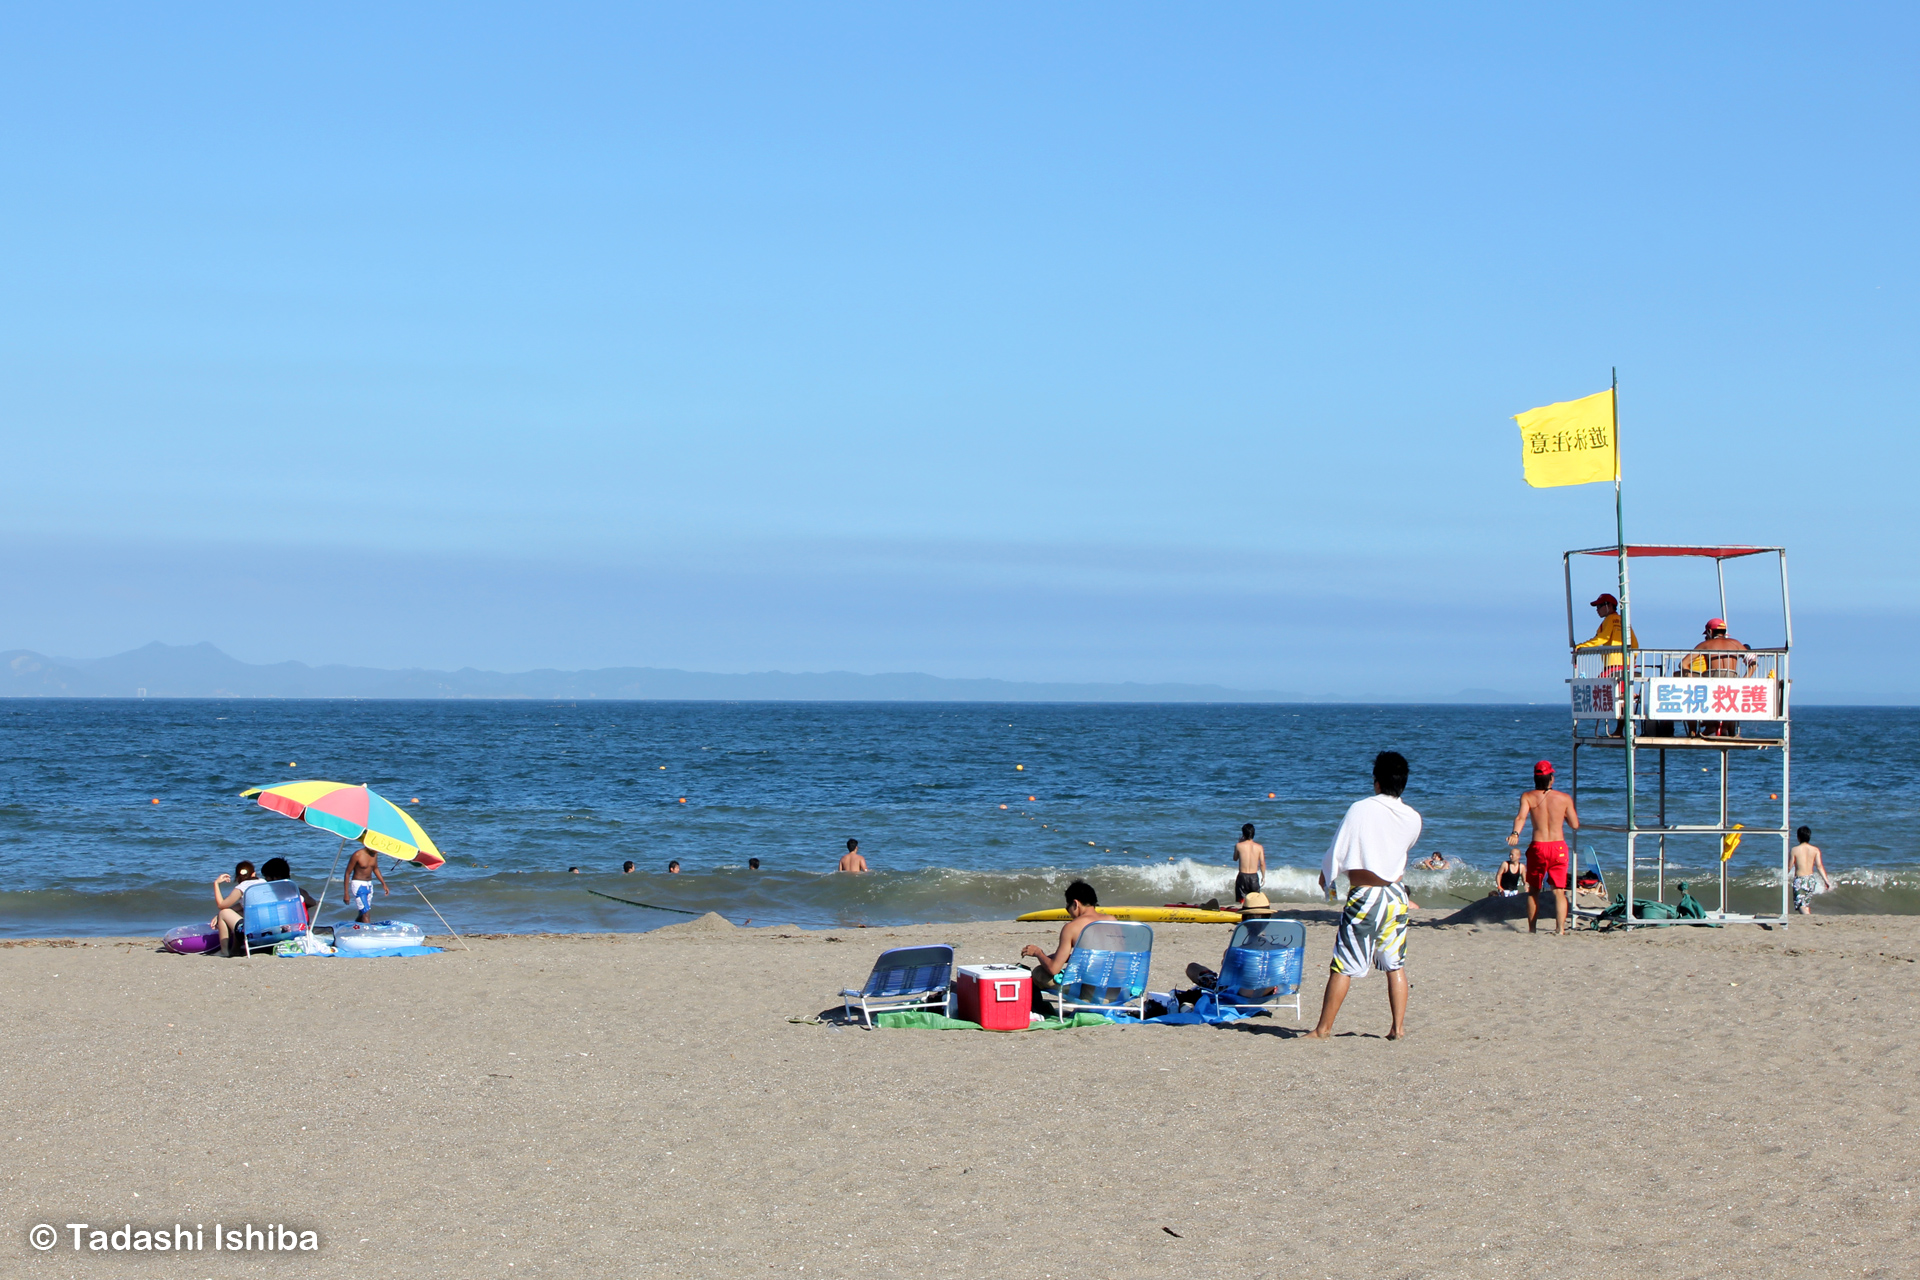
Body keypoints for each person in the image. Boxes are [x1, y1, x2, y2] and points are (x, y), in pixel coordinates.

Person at [1306, 752, 1421, 1041]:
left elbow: (1340, 845)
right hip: (1396, 895)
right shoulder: (1412, 817)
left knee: (1343, 963)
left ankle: (1323, 1029)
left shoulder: (1361, 808)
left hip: (1365, 895)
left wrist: (1327, 875)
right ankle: (1398, 1028)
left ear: (1377, 782)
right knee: (1394, 963)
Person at [1507, 760, 1580, 936]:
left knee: (1534, 891)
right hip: (1558, 847)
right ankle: (1560, 929)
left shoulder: (1528, 796)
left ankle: (1532, 929)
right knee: (1559, 892)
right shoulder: (1564, 798)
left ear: (1535, 778)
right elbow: (1575, 824)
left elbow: (1521, 817)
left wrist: (1515, 834)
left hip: (1538, 847)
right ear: (1551, 779)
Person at [1020, 880, 1114, 1011]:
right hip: (1115, 991)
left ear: (1075, 903)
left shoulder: (1072, 927)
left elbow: (1053, 969)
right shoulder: (1112, 920)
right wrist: (1071, 958)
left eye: (1067, 907)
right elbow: (1106, 957)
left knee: (1039, 972)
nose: (1068, 912)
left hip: (1091, 993)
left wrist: (1038, 953)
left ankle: (1037, 1009)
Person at [1684, 618, 1756, 737]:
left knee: (1694, 697)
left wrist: (1693, 679)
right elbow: (1753, 663)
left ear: (1710, 632)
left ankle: (1699, 730)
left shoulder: (1705, 645)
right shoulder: (1737, 644)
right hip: (1732, 684)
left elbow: (1683, 664)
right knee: (1731, 704)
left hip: (1712, 683)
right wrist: (1744, 680)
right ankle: (1730, 732)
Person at [1575, 593, 1639, 671]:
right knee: (1623, 683)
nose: (1597, 610)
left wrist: (1582, 646)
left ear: (1609, 606)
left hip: (1612, 664)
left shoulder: (1610, 619)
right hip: (1627, 664)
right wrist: (1632, 659)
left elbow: (1603, 638)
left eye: (1599, 606)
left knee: (1602, 682)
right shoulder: (1624, 621)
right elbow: (1635, 644)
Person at [210, 860, 258, 957]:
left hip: (253, 933)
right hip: (270, 930)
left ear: (237, 877)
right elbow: (242, 905)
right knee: (239, 912)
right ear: (254, 874)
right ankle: (235, 950)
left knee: (223, 913)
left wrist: (216, 884)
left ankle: (224, 951)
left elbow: (221, 905)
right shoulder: (264, 883)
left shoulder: (242, 887)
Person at [1790, 826, 1831, 915]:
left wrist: (1785, 875)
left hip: (1800, 880)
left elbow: (1789, 867)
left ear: (1798, 837)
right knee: (1805, 904)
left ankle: (1809, 918)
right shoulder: (1815, 850)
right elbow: (1819, 867)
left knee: (1801, 905)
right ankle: (1808, 919)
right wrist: (1826, 880)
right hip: (1811, 880)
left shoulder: (1794, 850)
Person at [343, 844, 388, 923]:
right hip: (358, 885)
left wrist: (383, 884)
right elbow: (347, 873)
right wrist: (346, 893)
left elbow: (375, 869)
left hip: (369, 885)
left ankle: (355, 927)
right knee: (365, 911)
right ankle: (368, 932)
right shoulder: (357, 855)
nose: (377, 851)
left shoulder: (374, 855)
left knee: (363, 911)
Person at [1232, 824, 1266, 902]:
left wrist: (1239, 842)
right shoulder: (1259, 847)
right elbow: (1262, 863)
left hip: (1242, 876)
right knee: (1254, 900)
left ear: (1243, 834)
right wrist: (1263, 876)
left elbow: (1235, 858)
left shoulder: (1239, 845)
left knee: (1242, 901)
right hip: (1253, 876)